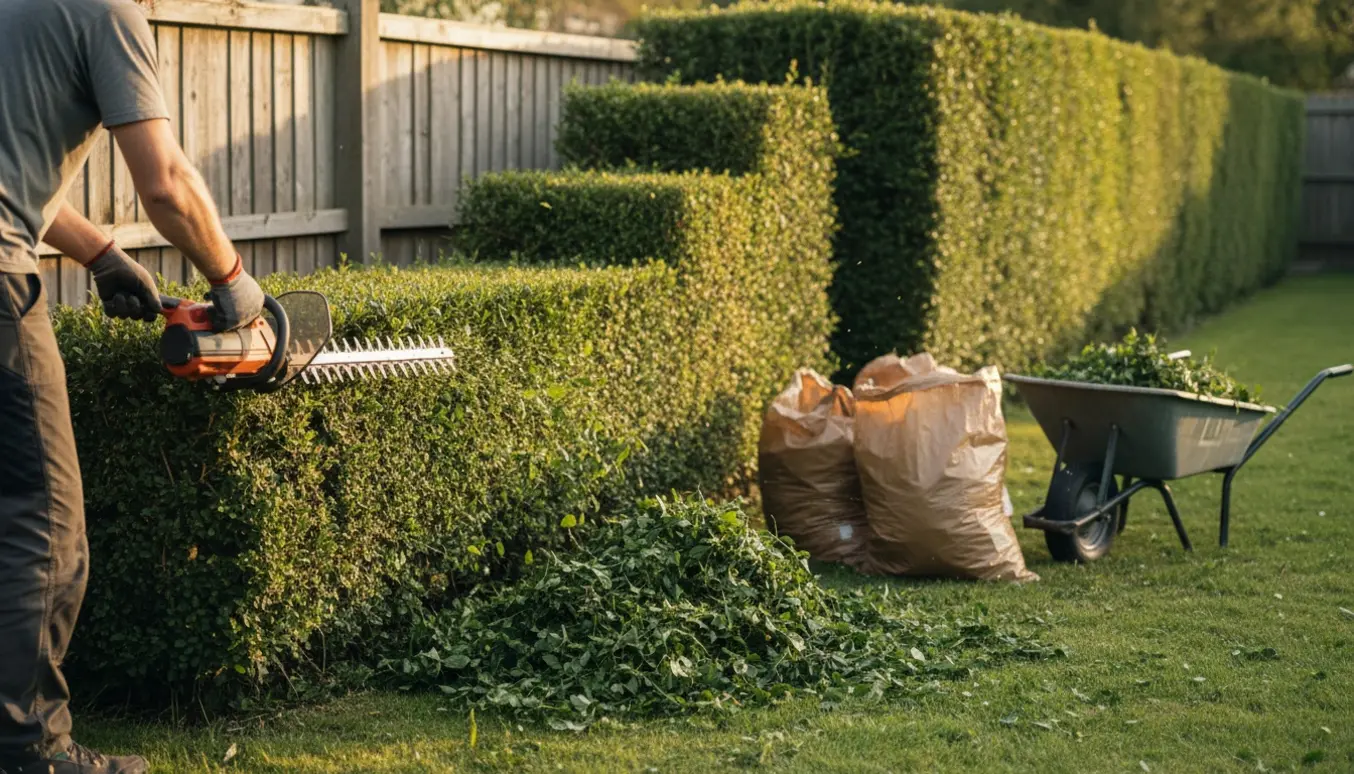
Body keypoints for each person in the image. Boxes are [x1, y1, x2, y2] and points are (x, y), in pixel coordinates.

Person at [0, 0, 267, 770]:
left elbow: (14, 163)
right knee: (43, 525)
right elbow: (167, 183)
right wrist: (234, 281)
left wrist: (98, 253)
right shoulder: (106, 10)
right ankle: (30, 752)